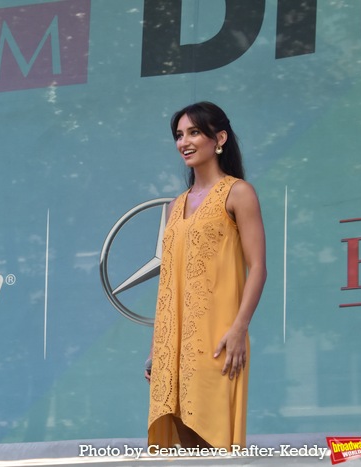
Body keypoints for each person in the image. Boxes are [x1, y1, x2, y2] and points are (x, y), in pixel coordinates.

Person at [145, 101, 266, 450]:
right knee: (182, 447)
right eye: (179, 135)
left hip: (219, 341)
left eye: (194, 132)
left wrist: (239, 329)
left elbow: (258, 267)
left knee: (214, 442)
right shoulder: (175, 206)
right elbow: (168, 283)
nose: (184, 141)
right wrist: (157, 348)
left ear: (220, 138)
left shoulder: (238, 193)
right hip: (173, 347)